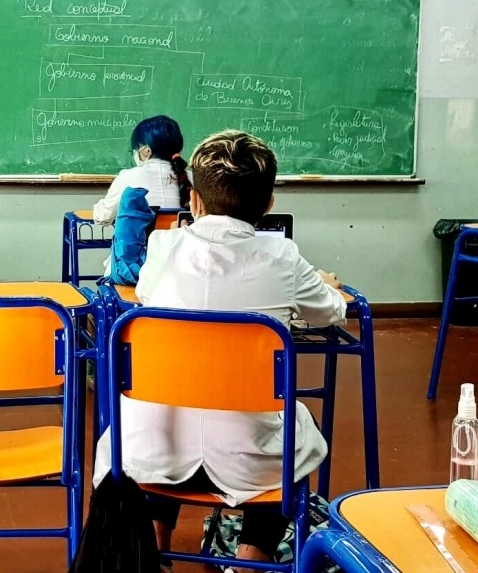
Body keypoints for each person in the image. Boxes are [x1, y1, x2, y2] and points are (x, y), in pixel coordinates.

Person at [93, 130, 346, 573]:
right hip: (251, 464)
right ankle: (252, 557)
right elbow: (332, 313)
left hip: (151, 455)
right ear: (268, 205)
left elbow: (148, 295)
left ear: (193, 200)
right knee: (297, 434)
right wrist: (326, 286)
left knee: (167, 405)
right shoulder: (283, 256)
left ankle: (154, 550)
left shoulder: (161, 247)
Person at [92, 115, 191, 225]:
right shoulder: (193, 178)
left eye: (136, 147)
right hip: (182, 241)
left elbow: (102, 217)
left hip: (143, 242)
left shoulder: (127, 178)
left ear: (147, 150)